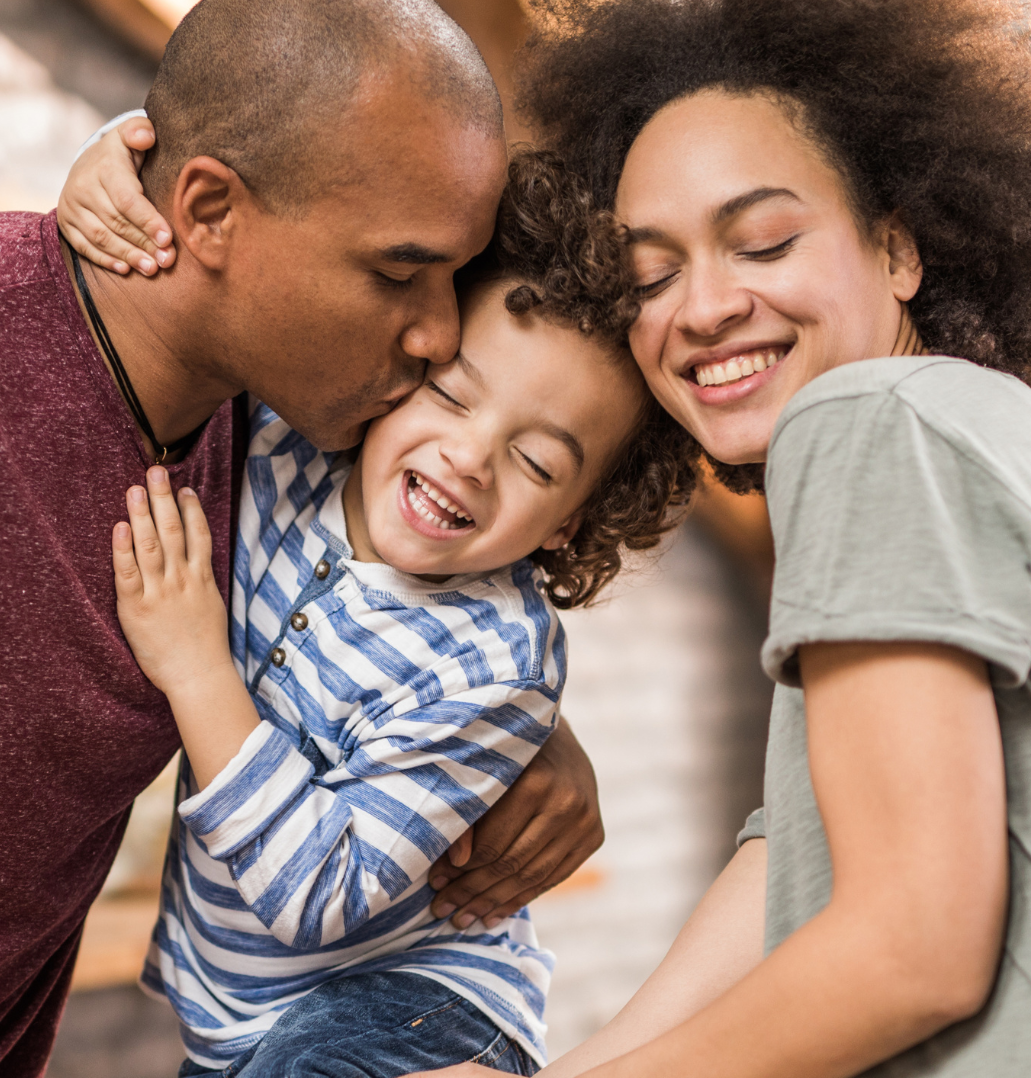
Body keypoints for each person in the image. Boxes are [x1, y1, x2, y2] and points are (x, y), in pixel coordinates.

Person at [79, 1, 1031, 1073]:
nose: (705, 306)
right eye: (651, 276)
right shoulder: (966, 423)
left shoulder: (869, 423)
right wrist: (120, 161)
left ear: (896, 248)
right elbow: (797, 856)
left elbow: (913, 947)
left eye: (762, 241)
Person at [0, 1, 603, 1073]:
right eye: (397, 271)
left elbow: (390, 619)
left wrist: (528, 737)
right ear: (208, 209)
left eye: (446, 281)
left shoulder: (273, 433)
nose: (433, 338)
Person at [109, 152, 690, 1078]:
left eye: (536, 463)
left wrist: (193, 664)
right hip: (235, 1016)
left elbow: (316, 888)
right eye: (452, 394)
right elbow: (190, 217)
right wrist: (109, 166)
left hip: (420, 1004)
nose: (468, 457)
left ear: (570, 519)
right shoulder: (284, 451)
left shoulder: (496, 665)